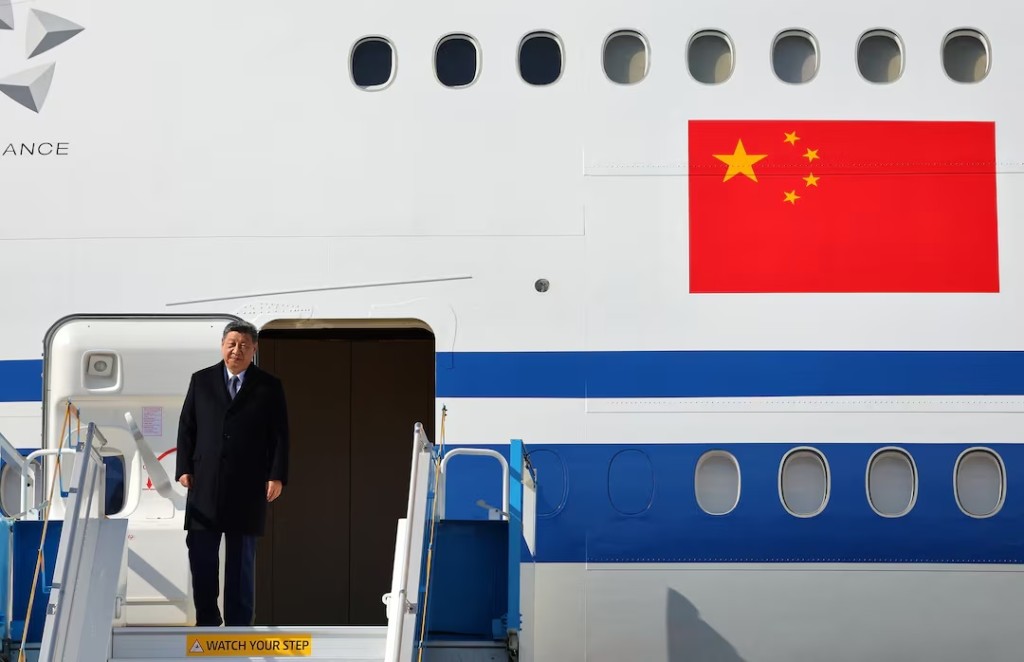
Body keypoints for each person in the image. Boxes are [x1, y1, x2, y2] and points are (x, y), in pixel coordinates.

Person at [175, 320, 289, 626]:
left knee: (241, 561)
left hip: (247, 484)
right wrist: (184, 468)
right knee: (202, 557)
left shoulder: (269, 386)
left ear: (254, 349)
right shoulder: (201, 381)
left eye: (244, 345)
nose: (236, 350)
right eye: (232, 343)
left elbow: (279, 434)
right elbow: (187, 427)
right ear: (223, 345)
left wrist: (276, 475)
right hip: (205, 483)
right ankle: (207, 619)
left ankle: (240, 623)